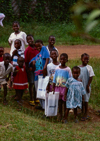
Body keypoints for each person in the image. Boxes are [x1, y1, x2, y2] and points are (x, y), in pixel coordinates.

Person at [29, 39, 50, 109]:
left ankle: (45, 107)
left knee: (43, 91)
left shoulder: (44, 49)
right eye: (36, 47)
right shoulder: (37, 55)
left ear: (42, 45)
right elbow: (30, 62)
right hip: (37, 76)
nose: (38, 48)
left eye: (39, 46)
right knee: (38, 91)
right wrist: (33, 62)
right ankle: (42, 106)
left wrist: (44, 68)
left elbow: (47, 58)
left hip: (43, 75)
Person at [52, 53, 72, 121]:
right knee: (59, 101)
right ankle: (60, 114)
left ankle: (65, 116)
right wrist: (53, 87)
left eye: (64, 59)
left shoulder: (68, 69)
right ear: (59, 59)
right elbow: (54, 78)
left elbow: (70, 80)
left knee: (65, 101)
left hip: (65, 88)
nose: (62, 60)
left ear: (67, 60)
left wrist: (69, 89)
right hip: (57, 87)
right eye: (61, 59)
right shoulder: (57, 68)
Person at [79, 53, 95, 121]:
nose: (86, 60)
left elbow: (91, 77)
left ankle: (86, 113)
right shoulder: (78, 67)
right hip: (80, 87)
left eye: (87, 59)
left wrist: (88, 85)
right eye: (85, 59)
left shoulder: (89, 67)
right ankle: (82, 111)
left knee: (86, 100)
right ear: (81, 59)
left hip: (86, 86)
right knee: (81, 99)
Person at [25, 35, 39, 106]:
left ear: (33, 39)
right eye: (28, 39)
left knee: (36, 84)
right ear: (26, 41)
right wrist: (28, 69)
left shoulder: (37, 48)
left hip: (38, 69)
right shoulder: (27, 50)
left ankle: (36, 97)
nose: (30, 40)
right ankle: (31, 99)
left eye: (31, 38)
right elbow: (26, 61)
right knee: (31, 83)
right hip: (31, 70)